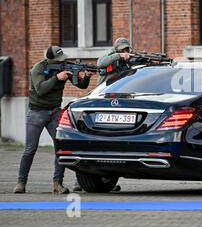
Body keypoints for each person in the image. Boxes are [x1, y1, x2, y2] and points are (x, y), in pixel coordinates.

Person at [13, 46, 93, 194]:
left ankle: (57, 183)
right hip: (37, 112)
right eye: (60, 59)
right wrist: (56, 78)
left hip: (55, 111)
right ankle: (21, 182)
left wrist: (86, 76)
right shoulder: (38, 68)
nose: (64, 61)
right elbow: (40, 90)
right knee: (30, 149)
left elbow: (81, 85)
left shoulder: (65, 68)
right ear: (51, 60)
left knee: (60, 148)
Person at [72, 37, 131, 192]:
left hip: (118, 104)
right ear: (117, 50)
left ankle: (107, 179)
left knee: (112, 145)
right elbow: (100, 63)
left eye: (127, 50)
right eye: (122, 50)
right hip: (102, 102)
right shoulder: (109, 58)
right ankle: (80, 182)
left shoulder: (127, 62)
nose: (125, 52)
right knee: (94, 143)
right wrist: (120, 56)